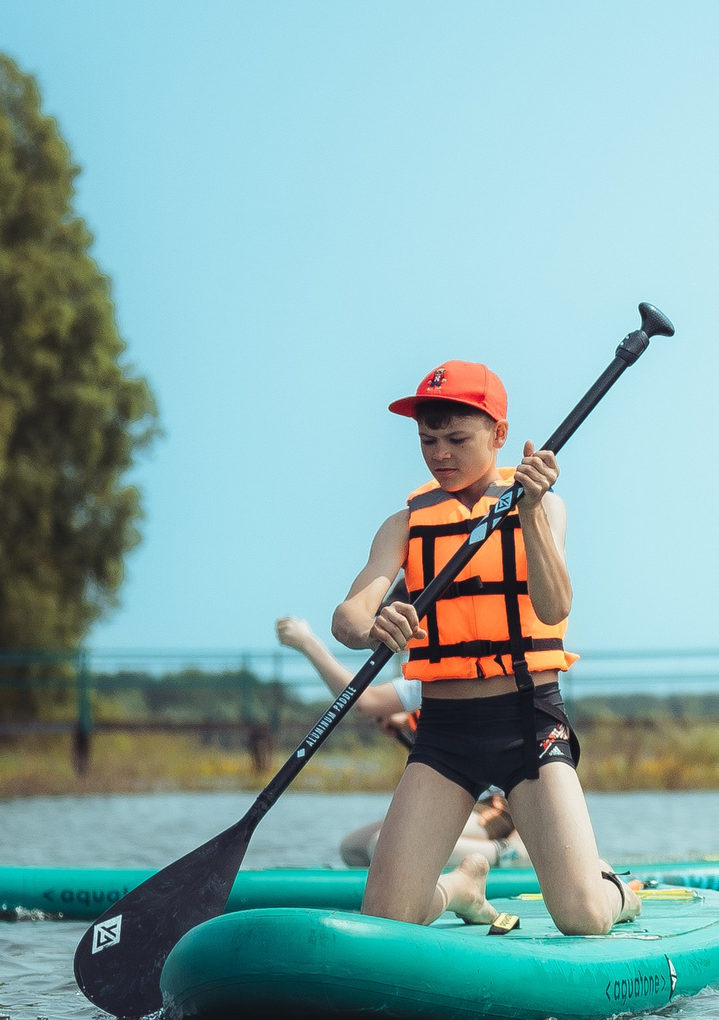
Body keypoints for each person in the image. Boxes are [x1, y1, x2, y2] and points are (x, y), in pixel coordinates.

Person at [328, 360, 640, 935]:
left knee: (583, 919)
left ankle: (618, 890)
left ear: (498, 435)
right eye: (428, 440)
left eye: (455, 439)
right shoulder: (405, 523)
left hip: (527, 719)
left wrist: (527, 516)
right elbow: (346, 617)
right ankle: (459, 887)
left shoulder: (542, 505)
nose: (439, 454)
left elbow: (554, 608)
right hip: (445, 730)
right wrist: (373, 624)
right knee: (388, 918)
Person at [273, 615, 525, 869]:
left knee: (380, 845)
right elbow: (425, 716)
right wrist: (404, 721)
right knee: (353, 848)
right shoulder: (427, 673)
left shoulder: (449, 662)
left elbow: (364, 702)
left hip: (497, 806)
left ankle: (511, 856)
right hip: (457, 801)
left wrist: (307, 643)